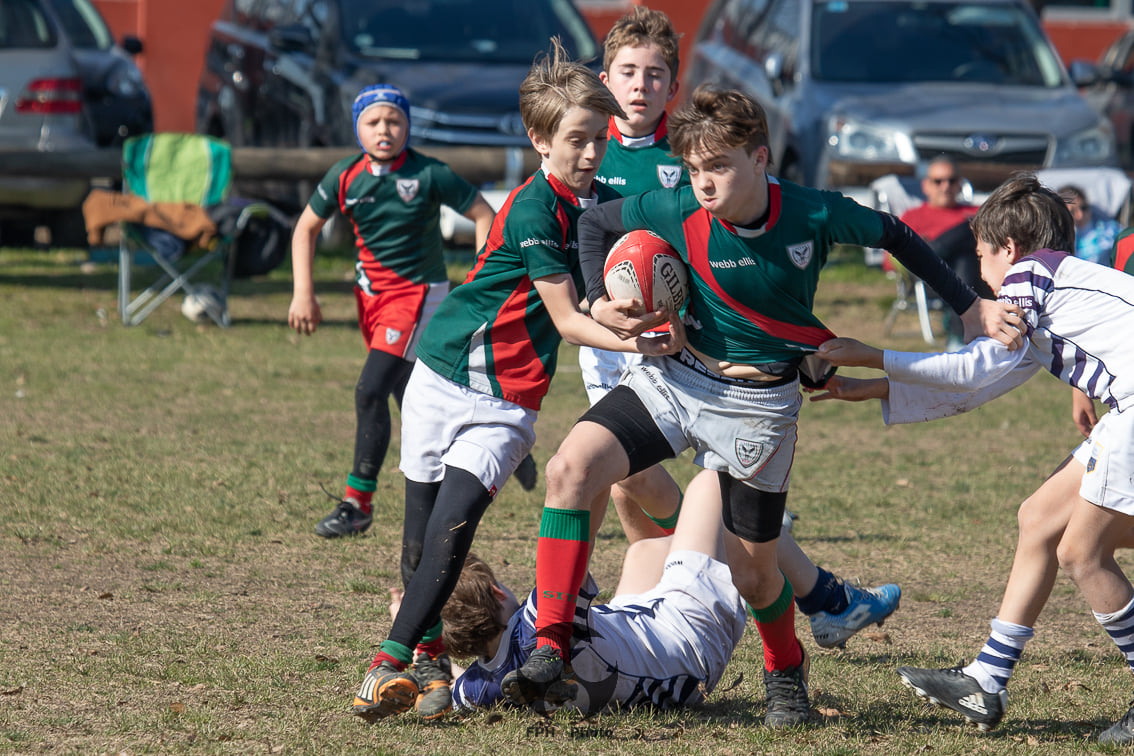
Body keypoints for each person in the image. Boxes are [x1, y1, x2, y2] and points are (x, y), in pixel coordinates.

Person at [502, 85, 1023, 728]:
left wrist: (970, 305)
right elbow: (594, 223)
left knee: (754, 573)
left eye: (718, 166)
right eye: (693, 169)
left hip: (758, 406)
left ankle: (785, 668)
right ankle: (552, 643)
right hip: (676, 377)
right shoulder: (673, 206)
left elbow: (894, 233)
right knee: (570, 469)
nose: (703, 184)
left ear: (760, 157)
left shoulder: (811, 213)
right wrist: (594, 303)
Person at [348, 39, 683, 724]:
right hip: (441, 375)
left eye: (600, 140)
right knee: (417, 547)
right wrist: (636, 334)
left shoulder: (604, 200)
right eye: (579, 141)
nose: (593, 154)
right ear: (539, 139)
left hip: (506, 403)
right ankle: (434, 674)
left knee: (453, 530)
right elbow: (565, 319)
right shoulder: (533, 208)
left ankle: (385, 664)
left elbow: (624, 260)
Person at [587, 7, 901, 643]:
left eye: (655, 74)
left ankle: (689, 590)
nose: (641, 85)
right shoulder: (582, 143)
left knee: (659, 483)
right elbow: (574, 235)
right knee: (624, 482)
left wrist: (782, 335)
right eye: (627, 72)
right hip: (607, 337)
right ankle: (808, 594)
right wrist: (590, 301)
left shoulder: (689, 160)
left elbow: (745, 249)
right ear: (604, 79)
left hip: (690, 351)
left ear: (673, 87)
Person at [812, 173, 1134, 743]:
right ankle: (986, 679)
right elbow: (979, 385)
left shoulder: (1030, 276)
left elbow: (971, 370)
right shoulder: (1054, 290)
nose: (979, 275)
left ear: (1009, 250)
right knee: (1039, 519)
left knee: (1083, 552)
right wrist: (873, 387)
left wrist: (873, 354)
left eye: (981, 256)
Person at [288, 83, 495, 538]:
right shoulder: (344, 175)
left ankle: (357, 503)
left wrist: (480, 279)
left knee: (369, 390)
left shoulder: (429, 173)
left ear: (408, 126)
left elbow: (483, 214)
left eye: (394, 120)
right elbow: (305, 228)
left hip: (418, 296)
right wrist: (304, 292)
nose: (385, 129)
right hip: (372, 299)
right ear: (357, 128)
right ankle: (463, 473)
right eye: (374, 121)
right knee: (414, 399)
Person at [440, 469, 746, 714]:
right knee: (709, 482)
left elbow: (456, 692)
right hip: (689, 644)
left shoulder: (480, 687)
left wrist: (424, 653)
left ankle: (712, 541)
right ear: (498, 592)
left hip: (643, 643)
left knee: (636, 529)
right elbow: (580, 543)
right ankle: (760, 554)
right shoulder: (539, 618)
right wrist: (593, 465)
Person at [898, 156, 991, 350]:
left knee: (966, 253)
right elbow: (892, 260)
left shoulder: (976, 210)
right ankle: (962, 333)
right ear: (926, 185)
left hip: (978, 277)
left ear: (960, 184)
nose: (945, 186)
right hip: (929, 279)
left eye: (952, 180)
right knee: (972, 227)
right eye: (938, 181)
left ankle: (959, 336)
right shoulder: (912, 217)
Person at [1060, 183, 1122, 267]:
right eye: (1072, 212)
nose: (1080, 215)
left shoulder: (1111, 231)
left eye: (1083, 208)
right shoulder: (1058, 240)